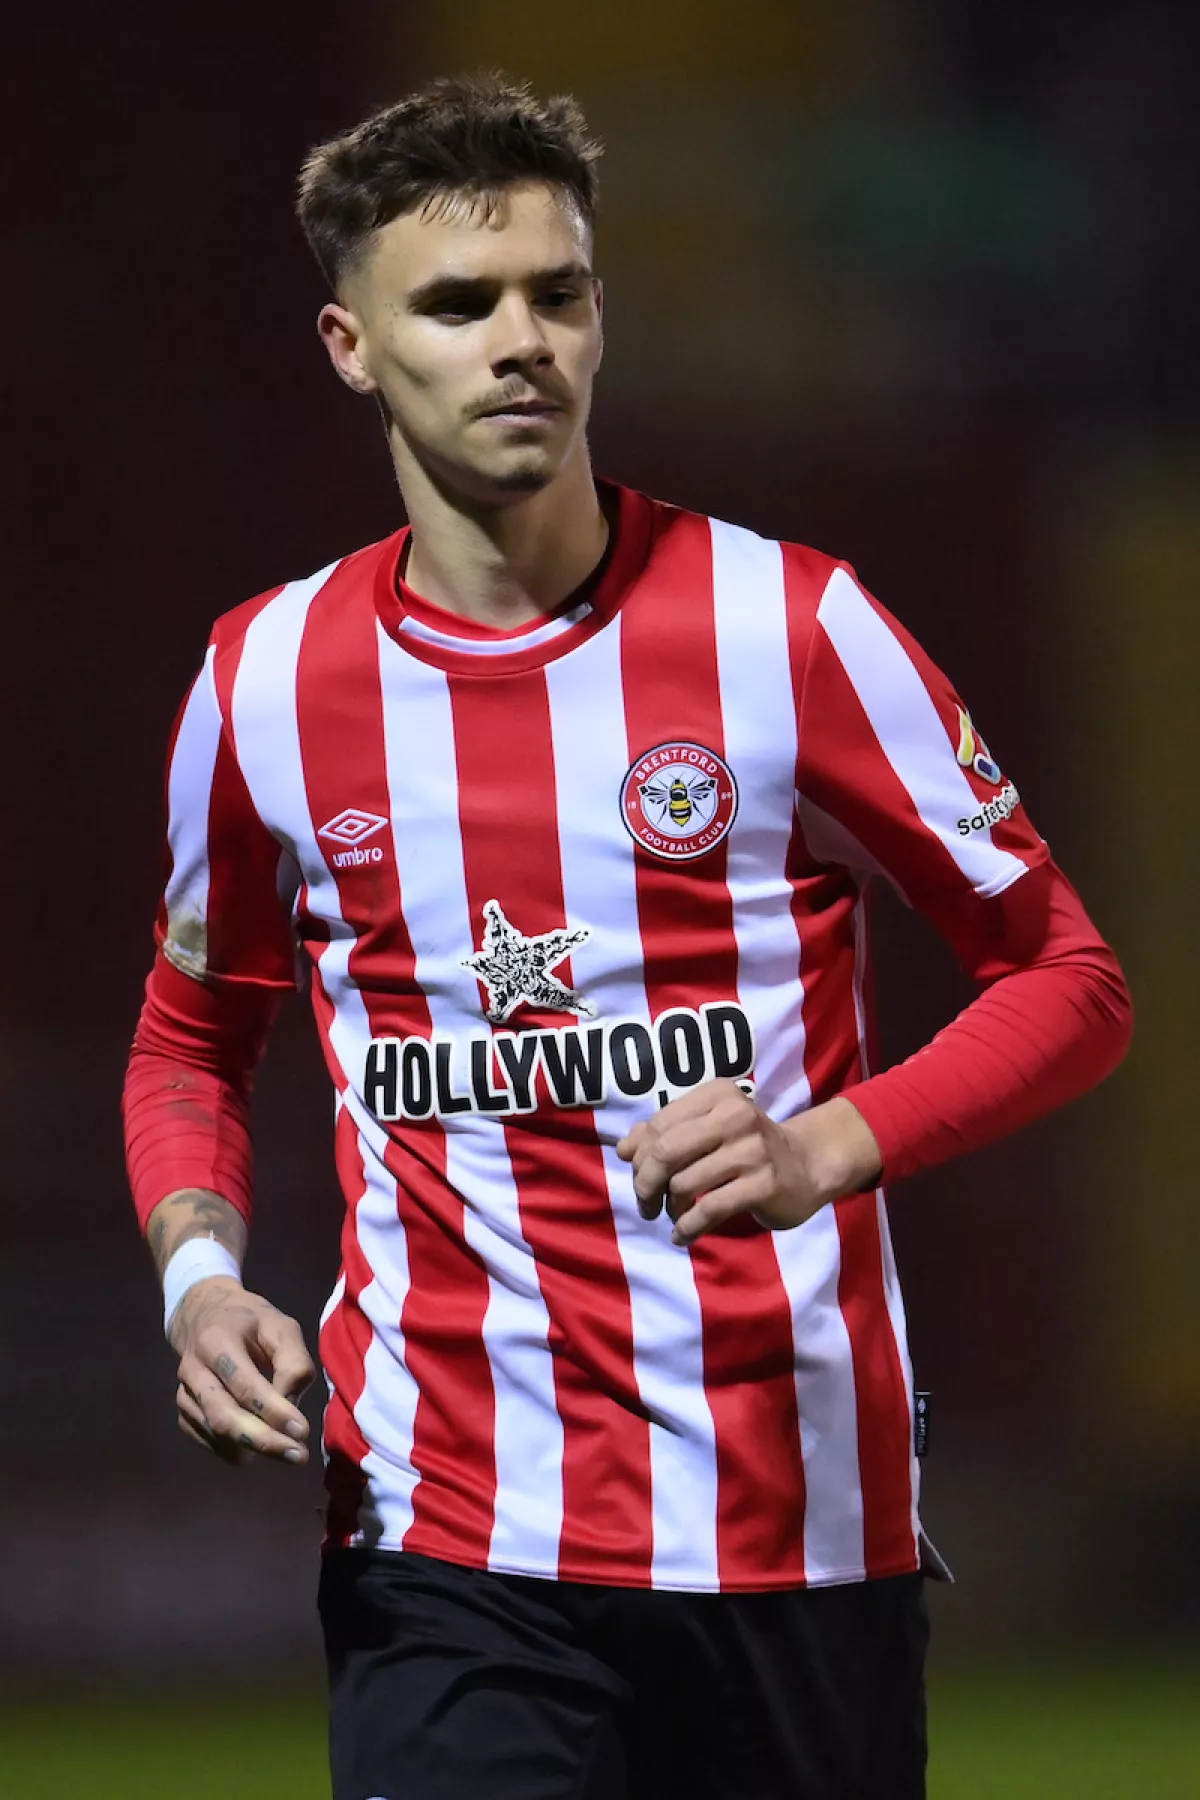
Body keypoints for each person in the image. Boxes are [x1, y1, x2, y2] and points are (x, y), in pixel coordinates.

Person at [123, 73, 1132, 1800]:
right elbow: (194, 1034)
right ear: (352, 346)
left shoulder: (789, 627)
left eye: (559, 293)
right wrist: (199, 1278)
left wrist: (831, 1141)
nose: (522, 341)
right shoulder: (265, 684)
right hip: (442, 1530)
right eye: (458, 304)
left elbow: (1071, 982)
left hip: (792, 1524)